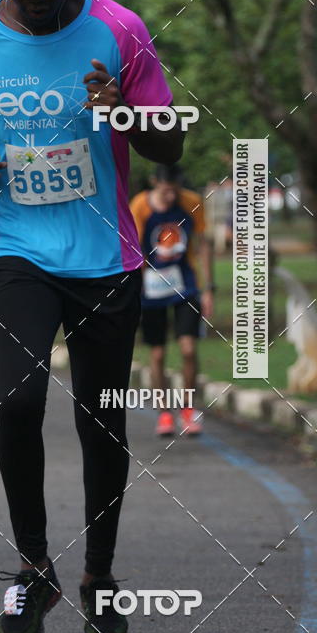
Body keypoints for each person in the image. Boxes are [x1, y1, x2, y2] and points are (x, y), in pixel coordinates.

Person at [0, 0, 184, 633]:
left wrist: (123, 112)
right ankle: (34, 572)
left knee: (100, 419)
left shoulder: (120, 30)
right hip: (13, 245)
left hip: (103, 256)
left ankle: (100, 578)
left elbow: (169, 147)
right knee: (18, 404)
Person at [129, 164, 214, 437]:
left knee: (188, 349)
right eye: (165, 192)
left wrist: (208, 288)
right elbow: (134, 249)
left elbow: (202, 244)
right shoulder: (140, 205)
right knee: (157, 353)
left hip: (185, 286)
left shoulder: (192, 202)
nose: (169, 198)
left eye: (174, 191)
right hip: (151, 289)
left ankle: (188, 409)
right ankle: (164, 412)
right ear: (155, 183)